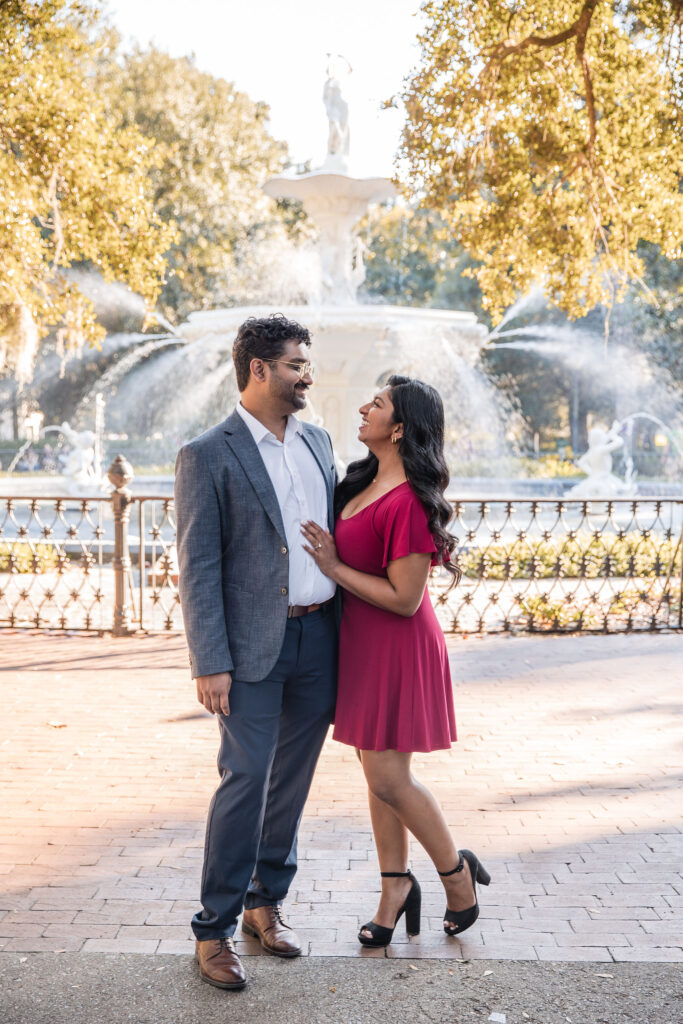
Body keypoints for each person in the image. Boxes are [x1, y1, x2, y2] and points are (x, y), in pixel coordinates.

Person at [174, 314, 338, 990]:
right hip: (246, 652)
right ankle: (212, 928)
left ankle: (265, 905)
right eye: (296, 364)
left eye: (306, 363)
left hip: (320, 636)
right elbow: (198, 565)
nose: (307, 375)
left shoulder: (320, 442)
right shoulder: (207, 453)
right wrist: (207, 659)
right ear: (259, 369)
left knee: (291, 785)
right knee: (245, 781)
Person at [301, 375, 490, 948]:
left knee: (389, 776)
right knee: (378, 777)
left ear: (400, 427)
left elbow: (406, 599)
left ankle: (458, 879)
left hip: (398, 644)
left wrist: (334, 569)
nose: (363, 407)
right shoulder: (362, 479)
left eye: (377, 404)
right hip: (361, 643)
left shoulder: (407, 500)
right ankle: (393, 887)